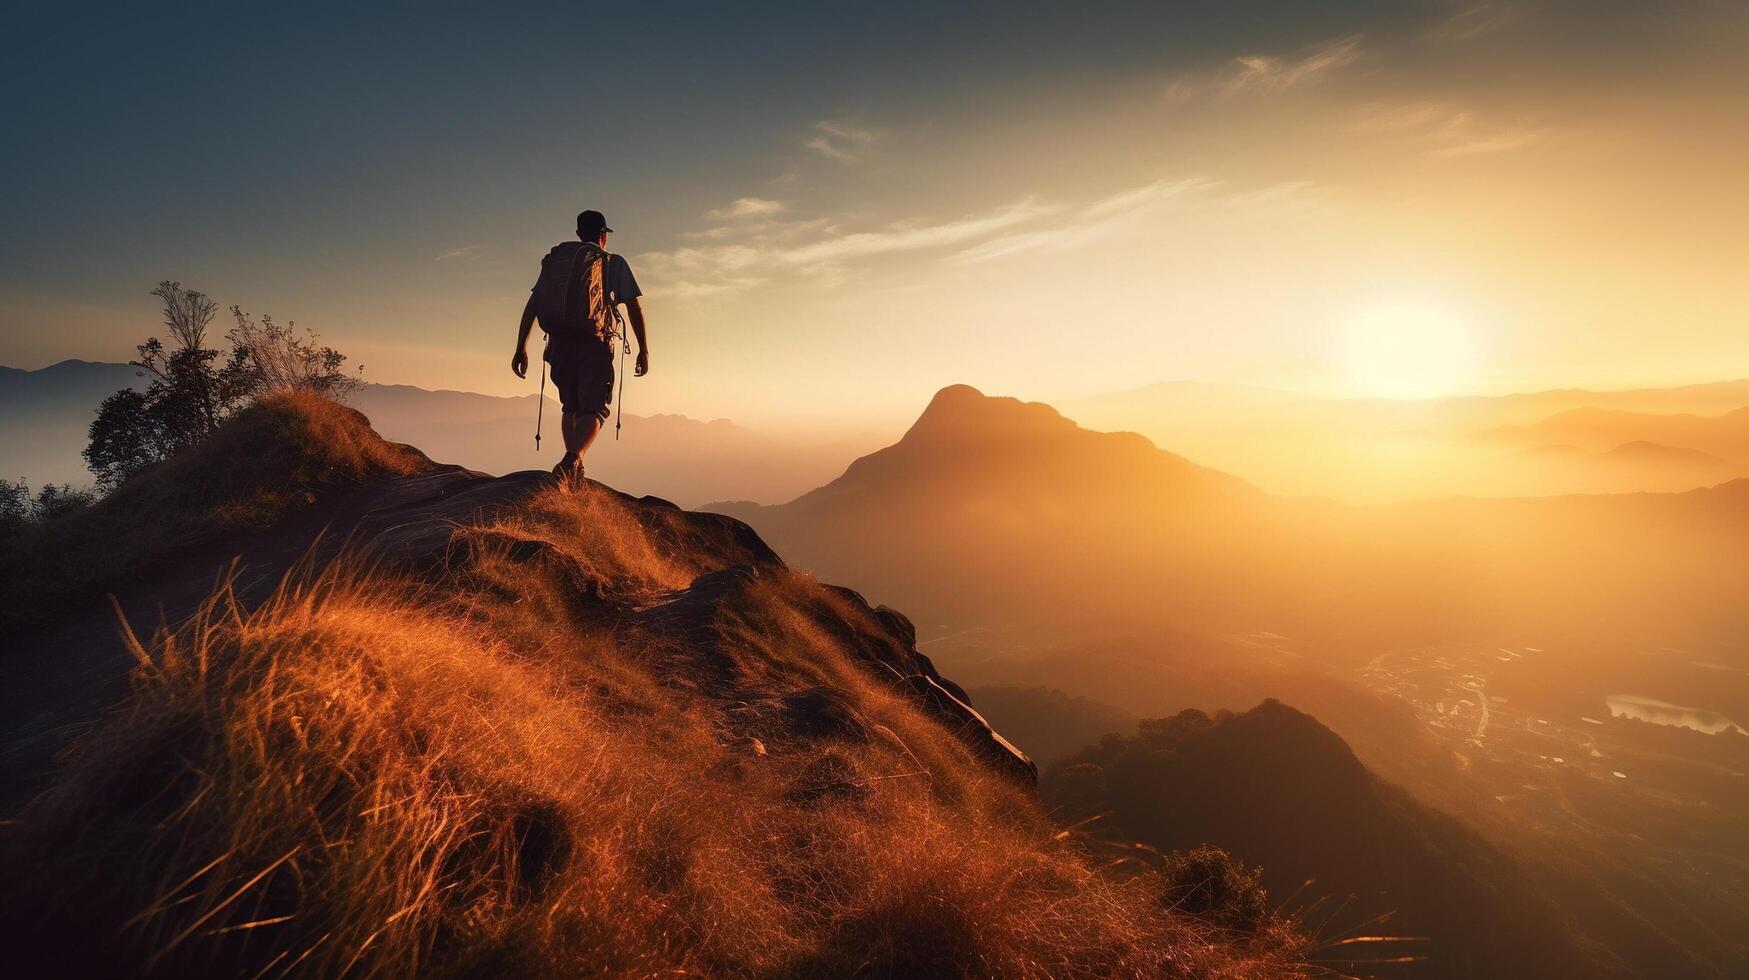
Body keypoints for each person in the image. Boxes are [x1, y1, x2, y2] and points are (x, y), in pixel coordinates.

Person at [512, 209, 649, 481]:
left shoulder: (556, 264)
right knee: (595, 407)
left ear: (577, 234)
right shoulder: (611, 262)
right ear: (603, 235)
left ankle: (574, 465)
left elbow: (534, 303)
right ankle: (573, 459)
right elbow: (633, 306)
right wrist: (643, 349)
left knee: (571, 406)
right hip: (593, 344)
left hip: (559, 344)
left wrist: (520, 347)